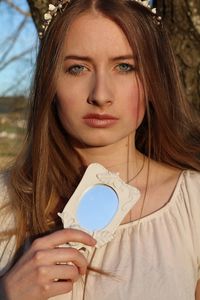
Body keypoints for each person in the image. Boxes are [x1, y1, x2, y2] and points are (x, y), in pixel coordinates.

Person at [0, 0, 200, 299]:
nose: (101, 95)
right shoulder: (4, 200)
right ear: (50, 82)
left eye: (125, 67)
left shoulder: (193, 203)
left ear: (154, 80)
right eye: (77, 68)